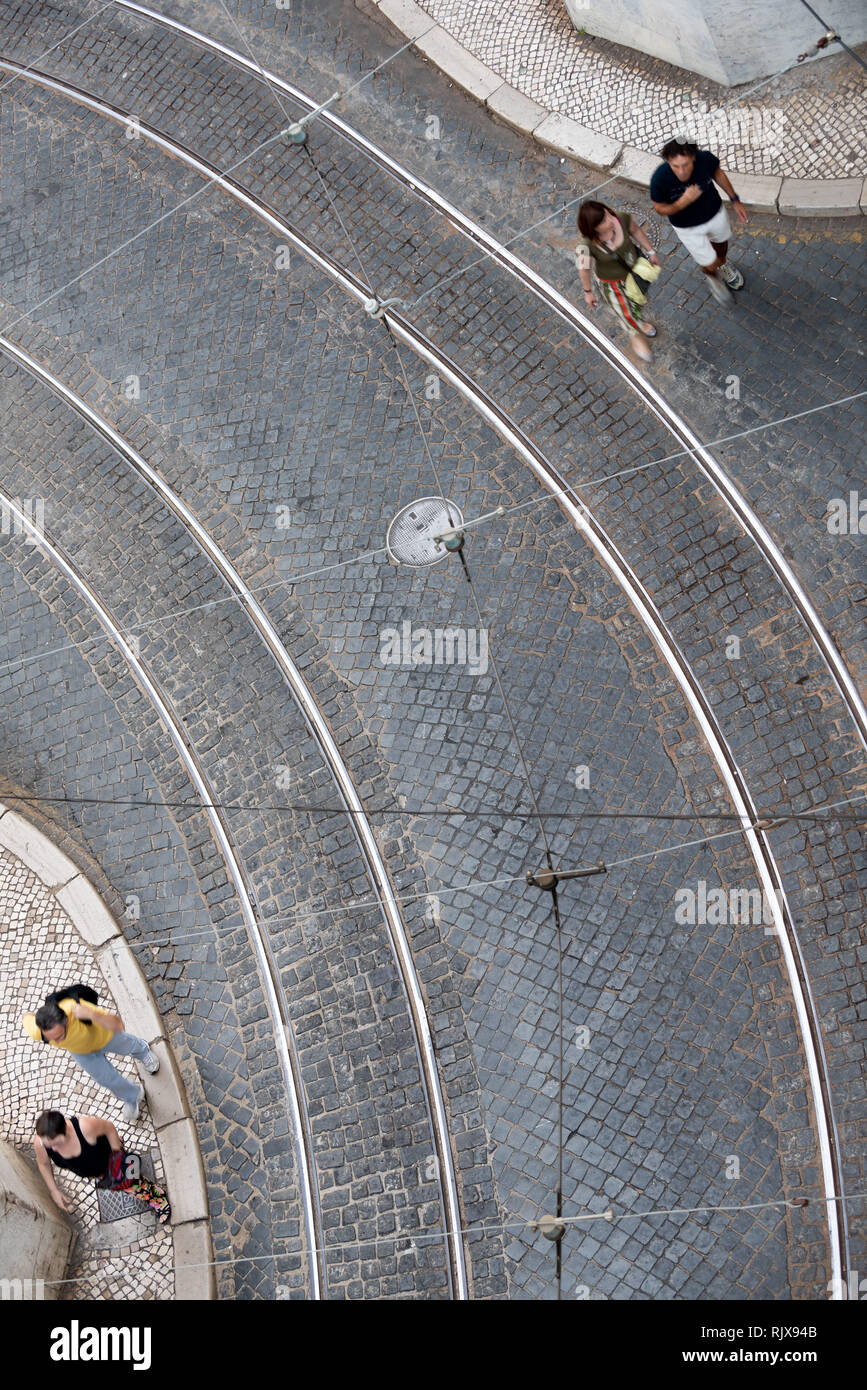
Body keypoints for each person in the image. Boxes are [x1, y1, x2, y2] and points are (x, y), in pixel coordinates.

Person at [22, 994, 158, 1122]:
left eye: (59, 1037)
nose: (57, 1043)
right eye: (50, 1039)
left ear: (67, 1021)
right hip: (81, 1052)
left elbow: (118, 1025)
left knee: (127, 1045)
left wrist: (91, 1014)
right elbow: (26, 1017)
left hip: (104, 1037)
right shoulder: (37, 1031)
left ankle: (143, 1051)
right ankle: (132, 1095)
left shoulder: (75, 1007)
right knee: (107, 1080)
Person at [650, 139, 748, 303]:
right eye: (675, 166)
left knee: (721, 245)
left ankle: (723, 265)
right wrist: (683, 201)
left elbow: (718, 173)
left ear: (694, 157)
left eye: (686, 164)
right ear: (668, 162)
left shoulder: (705, 159)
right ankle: (713, 277)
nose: (681, 171)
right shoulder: (659, 179)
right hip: (688, 228)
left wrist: (735, 200)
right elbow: (660, 209)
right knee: (708, 261)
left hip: (715, 213)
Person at [33, 1109, 171, 1224]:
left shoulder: (86, 1127)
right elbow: (43, 1164)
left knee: (133, 1184)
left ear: (66, 1129)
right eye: (49, 1145)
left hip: (111, 1161)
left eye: (57, 1143)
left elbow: (109, 1128)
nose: (54, 1150)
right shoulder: (42, 1142)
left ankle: (158, 1198)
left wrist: (118, 1158)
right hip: (97, 1172)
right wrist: (53, 1190)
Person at [575, 201, 662, 362]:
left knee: (637, 302)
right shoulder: (586, 246)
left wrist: (650, 251)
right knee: (625, 313)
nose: (610, 219)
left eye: (607, 213)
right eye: (603, 220)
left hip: (634, 273)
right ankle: (635, 336)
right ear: (593, 227)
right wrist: (588, 292)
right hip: (612, 284)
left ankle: (639, 322)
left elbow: (635, 231)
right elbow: (584, 269)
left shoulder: (621, 219)